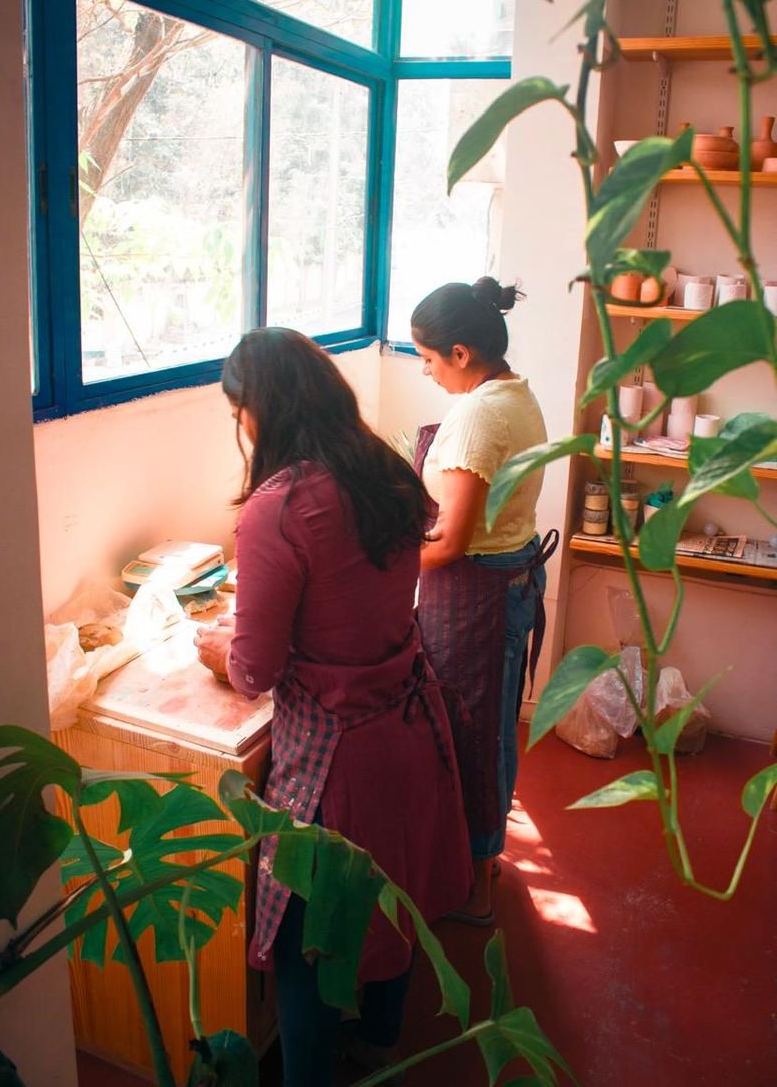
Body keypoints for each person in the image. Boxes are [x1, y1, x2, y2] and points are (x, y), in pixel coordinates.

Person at [194, 327, 472, 1087]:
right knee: (393, 897)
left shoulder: (278, 508)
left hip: (338, 759)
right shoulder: (383, 468)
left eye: (238, 412)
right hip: (410, 729)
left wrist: (216, 647)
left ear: (259, 410)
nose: (242, 427)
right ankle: (379, 1035)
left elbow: (255, 669)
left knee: (307, 934)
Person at [410, 277, 557, 925]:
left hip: (479, 592)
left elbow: (447, 545)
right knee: (490, 733)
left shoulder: (476, 417)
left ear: (461, 354)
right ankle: (480, 860)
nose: (427, 371)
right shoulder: (513, 392)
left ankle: (477, 882)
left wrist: (370, 562)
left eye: (430, 358)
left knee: (477, 738)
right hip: (506, 579)